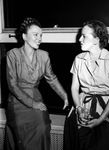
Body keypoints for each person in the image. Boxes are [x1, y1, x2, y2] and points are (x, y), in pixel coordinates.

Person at [5, 17, 69, 150]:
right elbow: (12, 85)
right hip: (17, 102)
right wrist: (32, 103)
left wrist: (65, 97)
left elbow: (52, 78)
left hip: (36, 97)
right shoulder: (13, 55)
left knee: (43, 127)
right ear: (24, 36)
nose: (39, 38)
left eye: (41, 35)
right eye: (35, 35)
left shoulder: (44, 55)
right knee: (22, 137)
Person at [63, 20, 109, 150]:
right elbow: (74, 88)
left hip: (106, 109)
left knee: (104, 140)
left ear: (96, 40)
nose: (80, 39)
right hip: (82, 104)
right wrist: (78, 108)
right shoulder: (78, 59)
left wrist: (101, 119)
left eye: (84, 36)